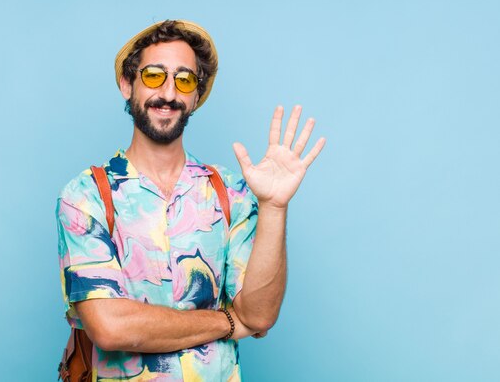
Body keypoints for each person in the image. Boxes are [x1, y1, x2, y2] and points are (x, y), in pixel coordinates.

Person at [56, 19, 325, 381]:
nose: (168, 93)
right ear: (127, 84)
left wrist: (275, 207)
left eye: (184, 80)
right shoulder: (86, 195)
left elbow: (259, 316)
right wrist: (228, 321)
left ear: (196, 97)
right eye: (153, 76)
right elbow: (110, 328)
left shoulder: (231, 192)